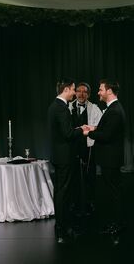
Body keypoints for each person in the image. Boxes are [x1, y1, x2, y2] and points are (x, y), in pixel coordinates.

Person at [83, 79, 126, 245]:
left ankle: (117, 225)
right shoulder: (114, 109)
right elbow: (107, 130)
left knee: (114, 192)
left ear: (109, 91)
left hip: (111, 159)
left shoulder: (114, 110)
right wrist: (94, 128)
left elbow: (107, 136)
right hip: (110, 158)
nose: (98, 92)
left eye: (101, 89)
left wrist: (89, 134)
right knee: (113, 192)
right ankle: (116, 222)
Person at [47, 78, 84, 244]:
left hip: (59, 155)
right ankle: (62, 227)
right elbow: (68, 134)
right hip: (64, 157)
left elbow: (64, 132)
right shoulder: (61, 108)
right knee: (63, 192)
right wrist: (82, 130)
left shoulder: (55, 106)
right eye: (74, 89)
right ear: (67, 89)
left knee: (62, 191)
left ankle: (62, 225)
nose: (75, 93)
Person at [69, 82, 102, 216]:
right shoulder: (68, 107)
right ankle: (73, 202)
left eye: (84, 92)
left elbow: (99, 125)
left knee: (90, 175)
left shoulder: (94, 108)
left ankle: (90, 202)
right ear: (75, 92)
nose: (81, 94)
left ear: (88, 94)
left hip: (88, 146)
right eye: (79, 91)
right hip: (73, 146)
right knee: (73, 175)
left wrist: (89, 129)